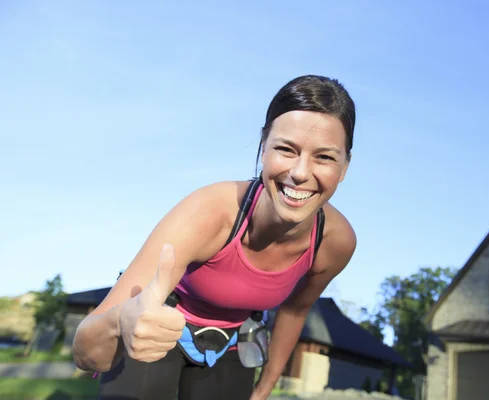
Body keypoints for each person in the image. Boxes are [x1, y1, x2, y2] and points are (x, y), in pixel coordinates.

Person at [72, 74, 357, 400]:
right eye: (286, 149)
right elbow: (84, 352)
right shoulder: (208, 213)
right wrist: (120, 323)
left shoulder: (335, 243)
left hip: (234, 344)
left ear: (345, 166)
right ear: (264, 148)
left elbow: (294, 311)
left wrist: (264, 388)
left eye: (324, 156)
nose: (301, 172)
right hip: (160, 327)